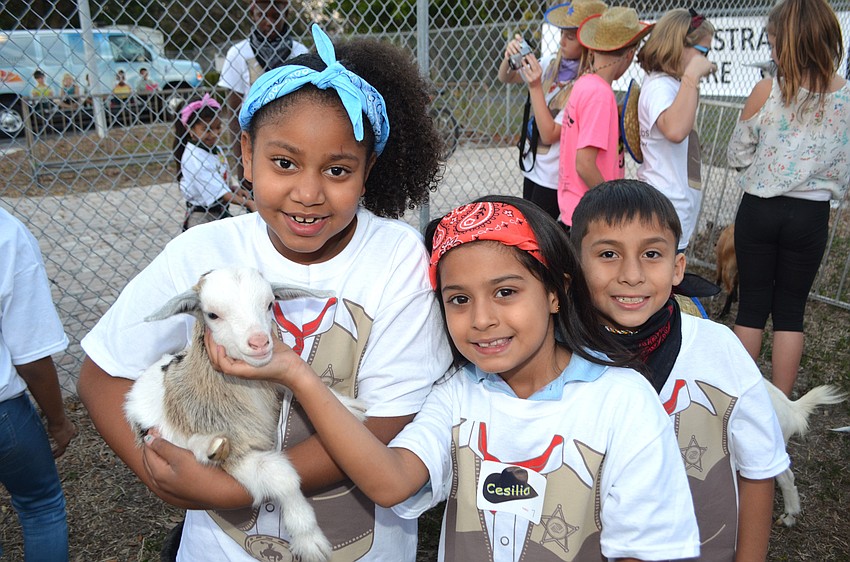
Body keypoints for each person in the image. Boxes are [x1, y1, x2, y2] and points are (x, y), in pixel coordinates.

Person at [77, 24, 450, 561]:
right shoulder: (199, 253)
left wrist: (234, 487)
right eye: (284, 162)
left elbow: (392, 419)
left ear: (368, 170)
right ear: (247, 154)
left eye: (338, 169)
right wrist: (160, 472)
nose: (308, 191)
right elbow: (102, 375)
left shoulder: (398, 261)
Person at [217, 195, 701, 562]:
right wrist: (299, 375)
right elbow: (390, 483)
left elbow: (647, 549)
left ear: (556, 292)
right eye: (459, 299)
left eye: (506, 291)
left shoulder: (622, 402)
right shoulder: (458, 396)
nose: (482, 319)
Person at [570, 179, 791, 561]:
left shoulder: (719, 349)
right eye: (608, 254)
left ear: (678, 268)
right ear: (575, 265)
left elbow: (760, 466)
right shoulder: (559, 355)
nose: (632, 274)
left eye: (652, 254)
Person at [727, 0, 850, 397]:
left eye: (774, 43)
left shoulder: (766, 91)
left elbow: (737, 155)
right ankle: (780, 407)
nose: (772, 52)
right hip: (811, 213)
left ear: (790, 44)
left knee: (751, 306)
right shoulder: (846, 98)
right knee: (791, 312)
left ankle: (741, 401)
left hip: (760, 208)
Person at [0, 206, 76, 562]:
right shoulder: (6, 231)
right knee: (41, 506)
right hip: (3, 412)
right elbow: (30, 352)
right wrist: (58, 420)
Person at [497, 0, 607, 220]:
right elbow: (505, 77)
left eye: (570, 36)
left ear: (587, 41)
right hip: (535, 168)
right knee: (531, 229)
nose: (562, 41)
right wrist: (510, 58)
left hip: (554, 178)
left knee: (542, 238)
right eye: (561, 33)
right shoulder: (549, 64)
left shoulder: (586, 86)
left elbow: (549, 134)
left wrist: (535, 86)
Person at [558, 7, 652, 230]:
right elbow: (585, 164)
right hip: (593, 214)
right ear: (628, 55)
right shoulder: (600, 95)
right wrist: (614, 204)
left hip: (575, 208)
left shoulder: (585, 83)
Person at [635, 8, 716, 252]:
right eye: (703, 52)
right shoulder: (661, 86)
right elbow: (675, 130)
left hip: (673, 206)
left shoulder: (672, 84)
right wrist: (692, 77)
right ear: (678, 46)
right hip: (664, 208)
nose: (707, 60)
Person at [218, 0, 309, 186]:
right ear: (253, 15)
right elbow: (234, 112)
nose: (269, 22)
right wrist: (241, 163)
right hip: (254, 136)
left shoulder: (299, 52)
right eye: (262, 15)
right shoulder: (238, 53)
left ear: (286, 14)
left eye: (275, 16)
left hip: (291, 134)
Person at [173, 94, 255, 231]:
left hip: (219, 210)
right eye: (207, 129)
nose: (214, 134)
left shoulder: (213, 149)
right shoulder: (194, 158)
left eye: (218, 127)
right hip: (202, 216)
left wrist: (234, 189)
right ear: (190, 129)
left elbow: (219, 179)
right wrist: (249, 203)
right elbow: (220, 194)